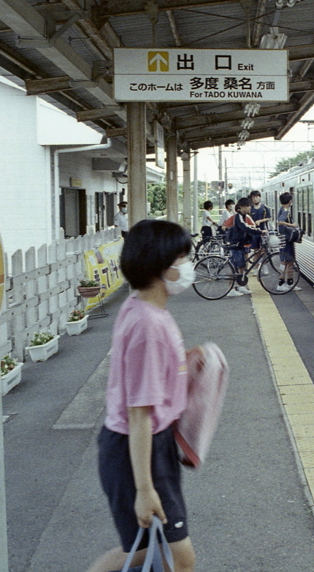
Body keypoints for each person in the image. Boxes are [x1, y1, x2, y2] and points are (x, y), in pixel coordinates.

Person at [87, 219, 199, 572]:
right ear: (160, 264)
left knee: (147, 551)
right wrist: (145, 488)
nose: (187, 266)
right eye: (182, 258)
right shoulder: (149, 325)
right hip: (138, 450)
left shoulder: (142, 308)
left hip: (145, 445)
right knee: (176, 557)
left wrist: (182, 365)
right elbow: (139, 413)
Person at [225, 197, 259, 297]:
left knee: (241, 266)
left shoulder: (244, 216)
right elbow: (245, 227)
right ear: (240, 207)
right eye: (248, 206)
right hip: (236, 245)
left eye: (250, 206)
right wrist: (259, 231)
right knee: (235, 267)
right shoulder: (237, 217)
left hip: (241, 244)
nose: (250, 208)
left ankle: (240, 286)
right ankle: (230, 289)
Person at [275, 192, 301, 292]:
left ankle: (289, 283)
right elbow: (280, 222)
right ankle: (281, 283)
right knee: (285, 261)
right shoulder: (285, 210)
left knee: (289, 261)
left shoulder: (282, 209)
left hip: (284, 239)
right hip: (285, 239)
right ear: (290, 201)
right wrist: (292, 225)